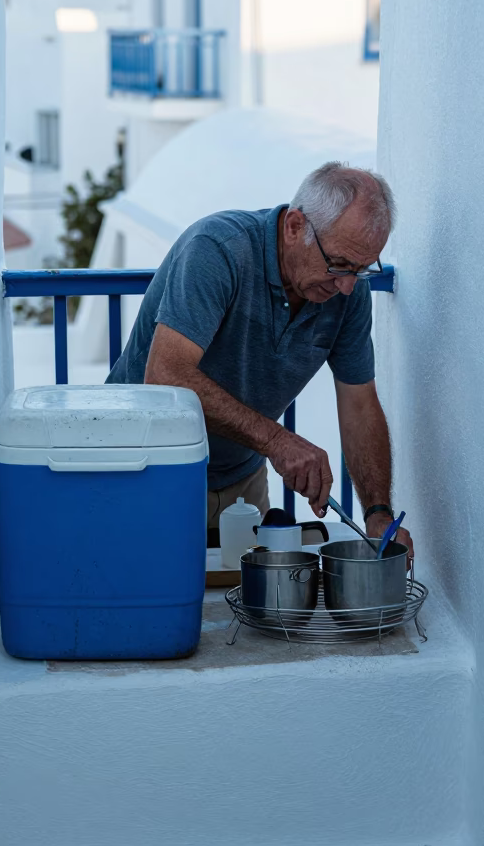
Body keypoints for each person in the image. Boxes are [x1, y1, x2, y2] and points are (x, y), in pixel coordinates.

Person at [106, 162, 413, 562]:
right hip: (148, 467)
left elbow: (360, 405)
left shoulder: (349, 293)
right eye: (338, 264)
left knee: (244, 613)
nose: (347, 285)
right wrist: (276, 440)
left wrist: (377, 513)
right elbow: (166, 376)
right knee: (149, 599)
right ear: (295, 226)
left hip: (241, 484)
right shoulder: (217, 249)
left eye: (361, 269)